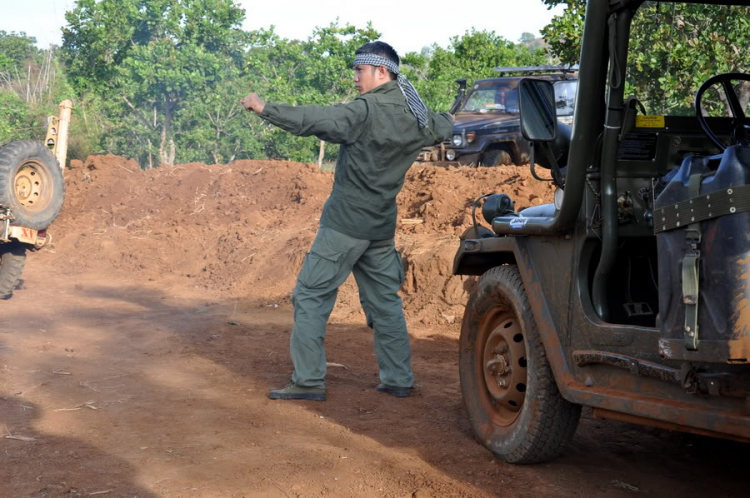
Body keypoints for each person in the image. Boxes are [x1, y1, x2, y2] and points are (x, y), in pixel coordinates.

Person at [241, 41, 453, 401]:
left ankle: (307, 382)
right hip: (380, 229)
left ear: (381, 72)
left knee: (310, 295)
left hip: (344, 227)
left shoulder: (365, 111)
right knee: (386, 303)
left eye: (360, 70)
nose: (355, 77)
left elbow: (317, 119)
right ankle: (398, 379)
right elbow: (443, 126)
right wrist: (450, 116)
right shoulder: (417, 115)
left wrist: (265, 108)